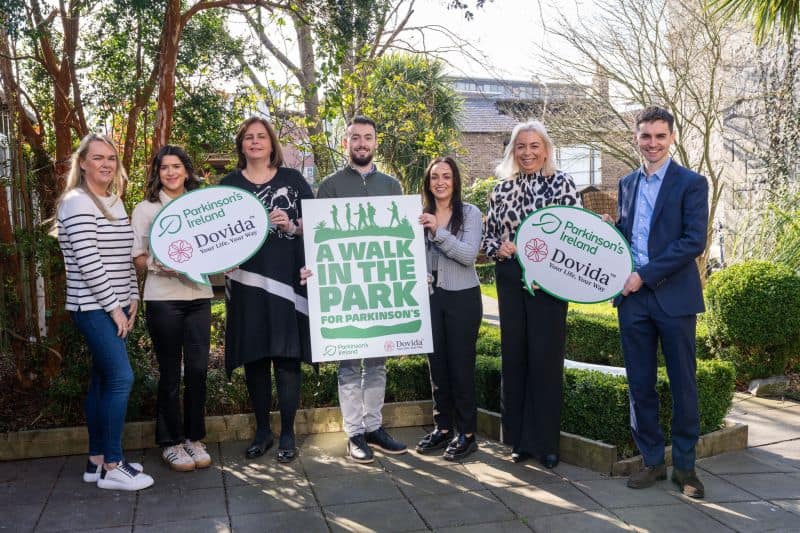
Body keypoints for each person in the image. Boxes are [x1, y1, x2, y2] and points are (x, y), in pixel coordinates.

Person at [606, 106, 708, 498]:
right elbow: (628, 234)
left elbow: (692, 241)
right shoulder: (627, 183)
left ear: (672, 139)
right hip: (632, 301)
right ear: (636, 137)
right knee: (640, 385)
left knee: (684, 385)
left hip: (673, 298)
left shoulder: (691, 183)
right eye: (646, 136)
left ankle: (685, 468)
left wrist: (644, 275)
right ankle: (652, 460)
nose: (652, 143)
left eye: (660, 137)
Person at [55, 133, 153, 491]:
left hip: (113, 305)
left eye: (111, 158)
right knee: (120, 378)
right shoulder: (77, 202)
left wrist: (132, 298)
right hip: (91, 306)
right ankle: (114, 465)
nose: (106, 164)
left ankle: (96, 460)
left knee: (102, 379)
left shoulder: (113, 200)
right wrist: (114, 308)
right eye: (98, 158)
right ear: (82, 163)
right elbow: (89, 261)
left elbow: (124, 255)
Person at [481, 121, 580, 469]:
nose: (528, 152)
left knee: (546, 360)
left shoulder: (563, 183)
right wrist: (501, 247)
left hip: (550, 281)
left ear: (546, 149)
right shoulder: (501, 189)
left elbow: (572, 234)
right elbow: (488, 238)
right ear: (513, 150)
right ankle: (519, 441)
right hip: (510, 277)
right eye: (521, 146)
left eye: (534, 145)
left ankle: (546, 444)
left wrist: (548, 264)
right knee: (515, 357)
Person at [316, 115, 408, 463]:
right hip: (346, 292)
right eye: (355, 138)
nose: (361, 144)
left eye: (367, 138)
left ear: (375, 143)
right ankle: (354, 433)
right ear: (346, 143)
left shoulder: (392, 186)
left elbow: (400, 238)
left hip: (378, 290)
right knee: (349, 365)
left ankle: (374, 428)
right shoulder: (329, 186)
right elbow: (319, 238)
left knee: (378, 363)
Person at [222, 116, 312, 463]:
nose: (255, 142)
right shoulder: (228, 184)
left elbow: (313, 223)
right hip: (246, 283)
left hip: (286, 279)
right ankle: (263, 431)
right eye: (249, 137)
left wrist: (290, 225)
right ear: (241, 144)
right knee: (255, 357)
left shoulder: (292, 180)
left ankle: (288, 432)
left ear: (272, 144)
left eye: (261, 137)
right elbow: (217, 234)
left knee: (287, 358)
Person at [131, 145, 213, 472]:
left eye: (176, 166)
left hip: (199, 298)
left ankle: (193, 438)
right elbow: (138, 258)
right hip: (163, 298)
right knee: (169, 373)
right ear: (157, 172)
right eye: (164, 167)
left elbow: (217, 245)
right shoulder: (146, 209)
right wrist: (158, 263)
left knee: (197, 371)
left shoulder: (201, 207)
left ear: (186, 170)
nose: (171, 172)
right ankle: (170, 442)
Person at [415, 157, 482, 461]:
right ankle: (442, 428)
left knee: (461, 366)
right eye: (434, 177)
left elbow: (468, 255)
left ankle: (467, 434)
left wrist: (438, 232)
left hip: (463, 297)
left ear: (455, 181)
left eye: (446, 176)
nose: (440, 182)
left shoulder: (470, 214)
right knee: (437, 366)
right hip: (430, 297)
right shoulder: (419, 215)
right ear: (428, 183)